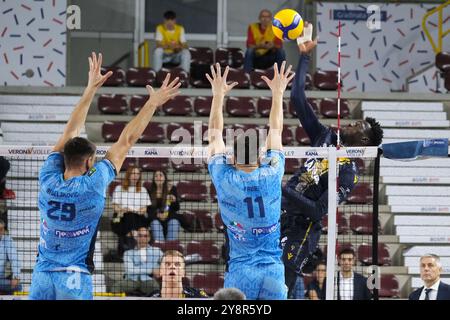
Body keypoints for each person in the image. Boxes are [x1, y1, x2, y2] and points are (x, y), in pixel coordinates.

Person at [28, 52, 181, 300]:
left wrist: (90, 88)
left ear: (64, 157)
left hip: (42, 275)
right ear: (90, 161)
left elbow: (70, 130)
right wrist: (152, 103)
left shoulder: (48, 178)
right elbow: (127, 140)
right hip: (74, 275)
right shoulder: (93, 183)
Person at [280, 22, 384, 298]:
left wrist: (286, 190)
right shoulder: (326, 136)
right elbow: (298, 99)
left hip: (303, 228)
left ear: (363, 141)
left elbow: (317, 211)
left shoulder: (349, 172)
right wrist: (303, 57)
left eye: (359, 126)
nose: (352, 124)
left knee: (282, 285)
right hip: (281, 214)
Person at [207, 61, 294, 300]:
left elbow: (214, 132)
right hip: (272, 273)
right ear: (260, 155)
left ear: (233, 158)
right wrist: (278, 93)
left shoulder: (224, 177)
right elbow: (275, 130)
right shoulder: (273, 172)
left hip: (240, 272)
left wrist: (218, 95)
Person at [111, 166, 151, 256]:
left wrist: (134, 211)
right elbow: (114, 206)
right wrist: (122, 210)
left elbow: (144, 210)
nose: (135, 176)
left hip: (138, 218)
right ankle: (133, 237)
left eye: (137, 174)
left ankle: (126, 247)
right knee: (128, 217)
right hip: (121, 218)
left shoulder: (143, 190)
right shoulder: (119, 188)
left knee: (131, 216)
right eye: (133, 173)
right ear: (128, 175)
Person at [112, 227, 162, 296]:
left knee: (155, 287)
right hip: (131, 280)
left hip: (148, 280)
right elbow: (130, 270)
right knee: (116, 286)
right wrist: (151, 270)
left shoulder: (157, 251)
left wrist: (159, 268)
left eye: (145, 236)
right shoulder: (128, 253)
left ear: (149, 238)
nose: (143, 238)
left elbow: (164, 263)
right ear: (136, 237)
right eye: (140, 235)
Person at [244, 9, 286, 74]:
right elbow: (249, 45)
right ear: (259, 18)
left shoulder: (275, 28)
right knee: (249, 51)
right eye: (263, 17)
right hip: (256, 57)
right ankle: (247, 75)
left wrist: (273, 46)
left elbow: (279, 45)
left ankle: (281, 75)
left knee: (281, 51)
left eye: (267, 17)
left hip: (270, 56)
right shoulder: (252, 27)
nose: (265, 19)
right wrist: (259, 46)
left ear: (271, 18)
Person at [147, 170, 182, 241]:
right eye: (156, 176)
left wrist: (175, 200)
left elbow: (176, 208)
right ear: (153, 179)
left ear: (165, 178)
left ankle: (170, 247)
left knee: (174, 223)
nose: (158, 177)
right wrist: (158, 215)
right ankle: (161, 247)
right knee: (155, 223)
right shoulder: (149, 191)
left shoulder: (172, 189)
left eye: (161, 175)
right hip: (155, 218)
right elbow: (149, 210)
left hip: (170, 217)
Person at [0, 219, 21, 294]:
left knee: (17, 286)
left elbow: (14, 258)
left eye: (1, 229)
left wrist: (16, 276)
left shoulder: (7, 240)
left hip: (1, 280)